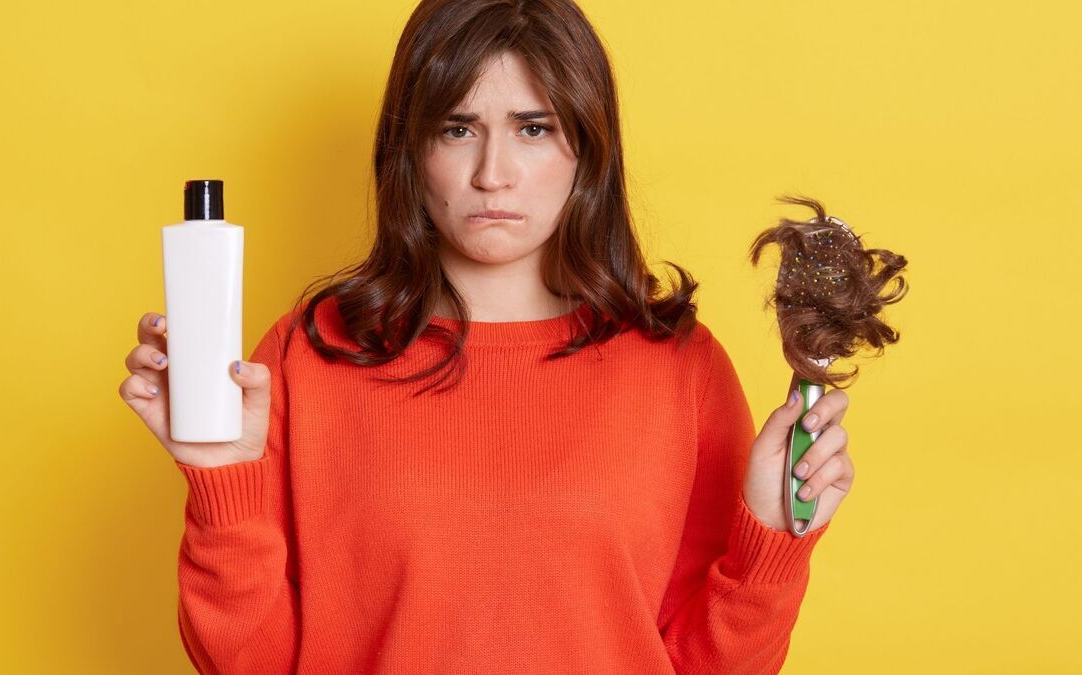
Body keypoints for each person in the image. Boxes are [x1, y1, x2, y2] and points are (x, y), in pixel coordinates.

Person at [119, 0, 855, 672]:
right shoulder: (308, 355)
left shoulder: (681, 368)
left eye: (533, 129)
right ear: (410, 148)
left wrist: (769, 538)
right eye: (457, 128)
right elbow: (248, 664)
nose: (492, 174)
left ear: (586, 154)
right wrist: (222, 481)